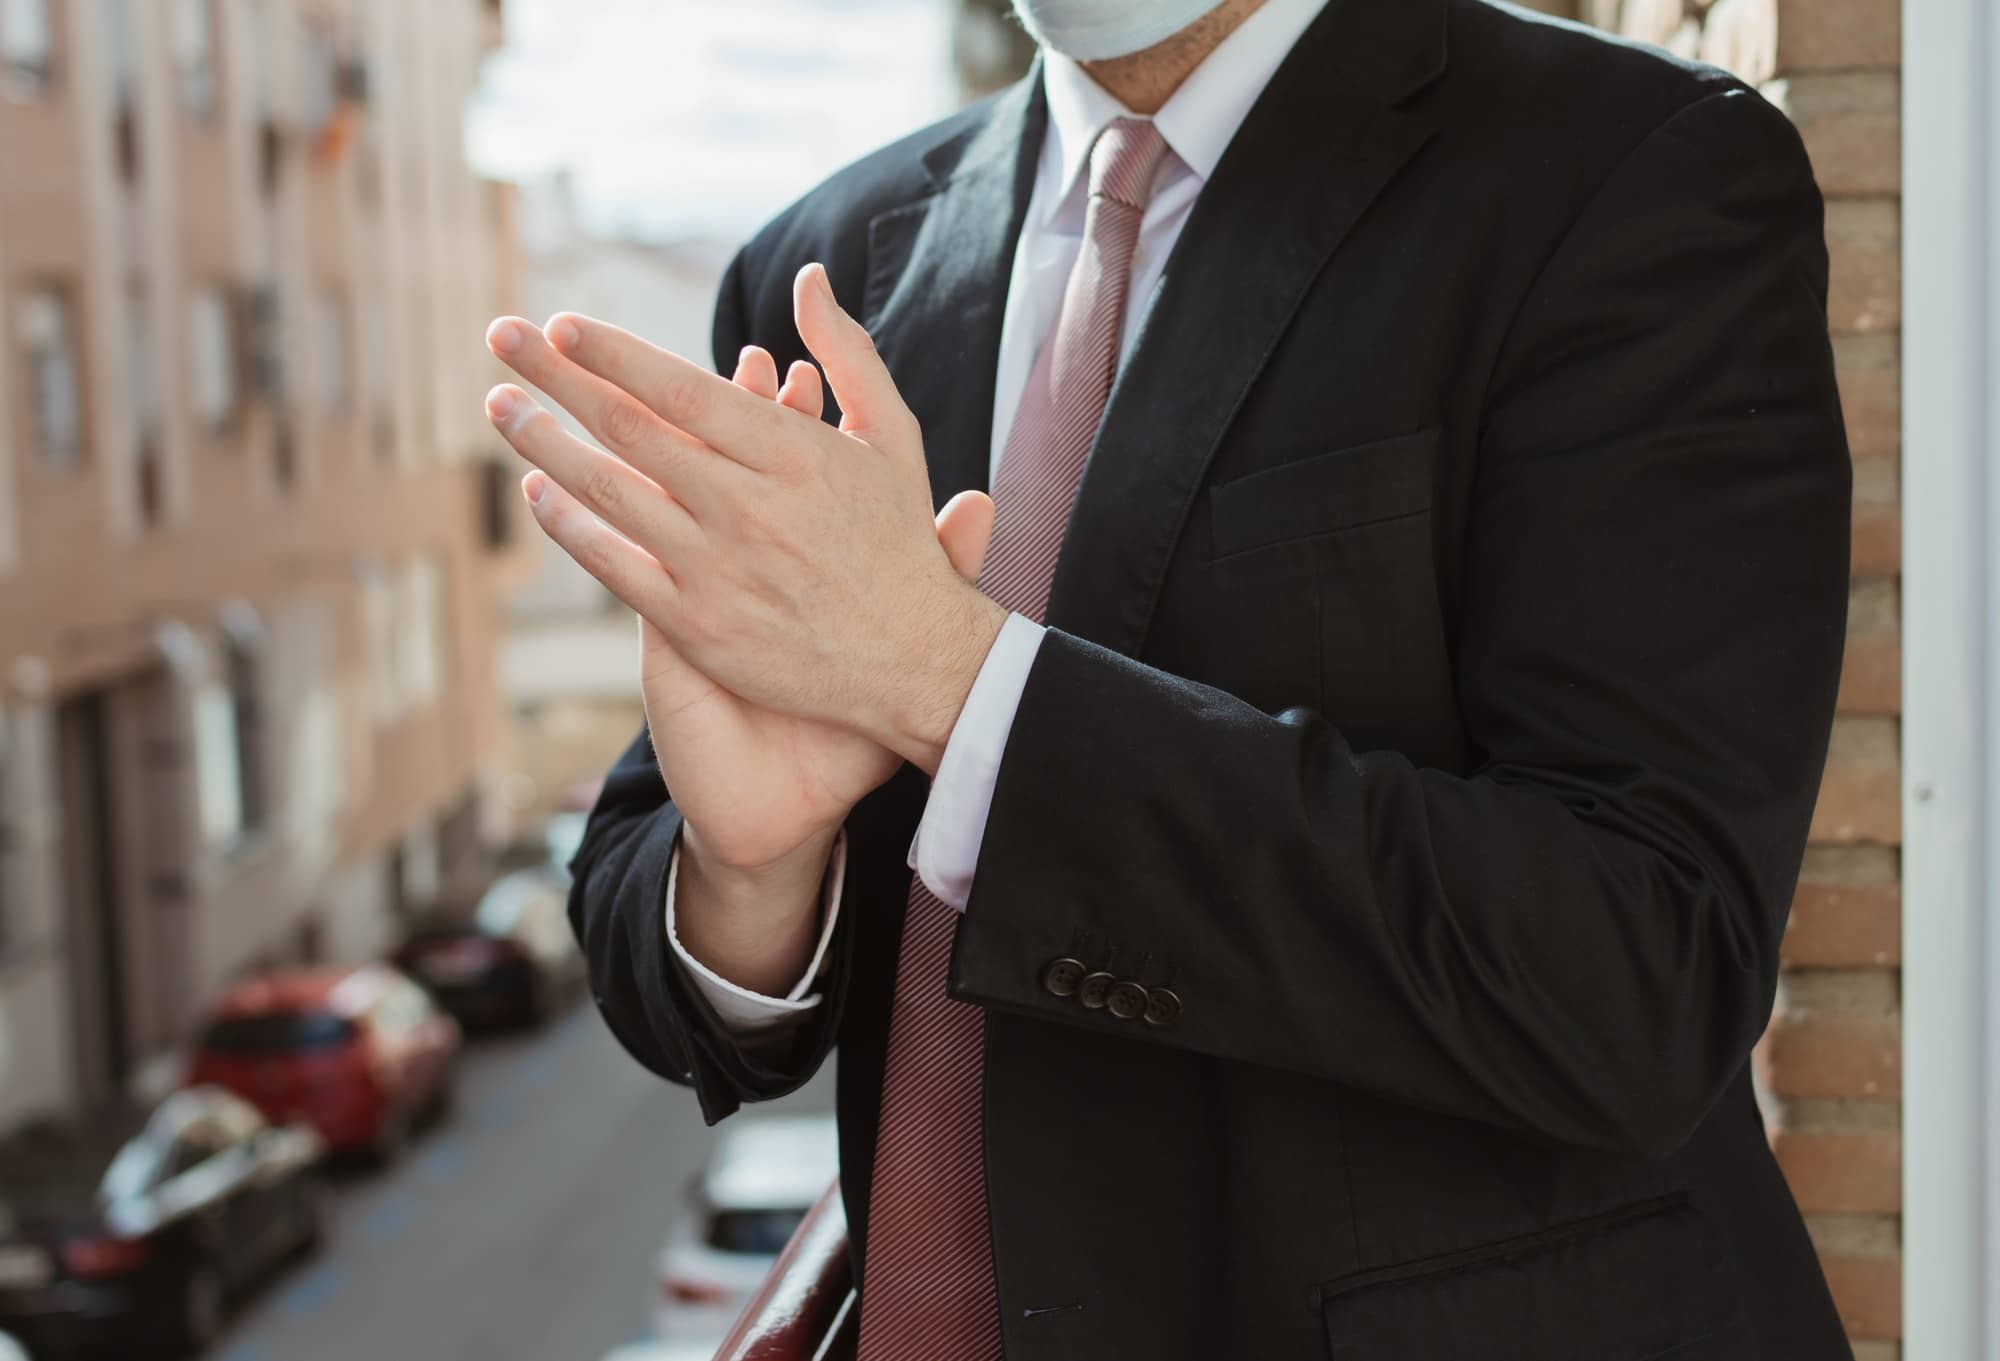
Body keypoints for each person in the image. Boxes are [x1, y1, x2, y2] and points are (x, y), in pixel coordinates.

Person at [482, 0, 1855, 1356]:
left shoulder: (1630, 169)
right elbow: (647, 920)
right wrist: (753, 875)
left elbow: (1639, 966)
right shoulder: (824, 264)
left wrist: (957, 692)